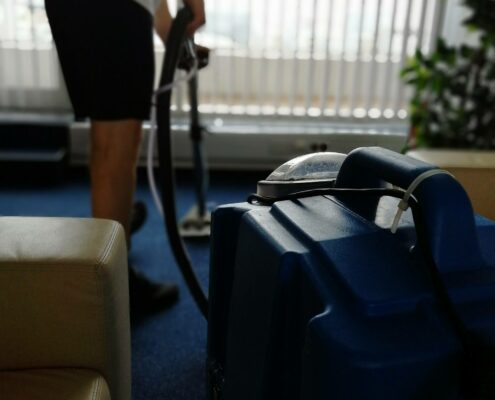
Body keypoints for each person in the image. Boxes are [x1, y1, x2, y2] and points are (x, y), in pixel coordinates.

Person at [44, 0, 206, 308]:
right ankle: (115, 286)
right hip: (113, 10)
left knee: (108, 133)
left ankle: (116, 222)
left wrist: (172, 37)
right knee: (115, 142)